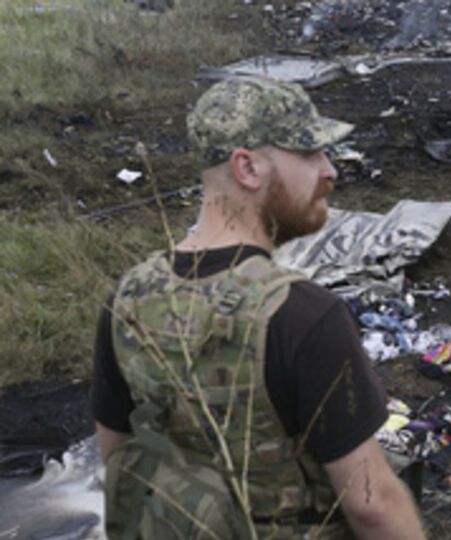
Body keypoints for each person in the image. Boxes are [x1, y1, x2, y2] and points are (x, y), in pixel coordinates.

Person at [90, 75, 426, 539]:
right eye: (310, 153)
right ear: (247, 168)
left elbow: (117, 455)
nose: (329, 170)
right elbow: (373, 507)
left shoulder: (126, 297)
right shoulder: (305, 315)